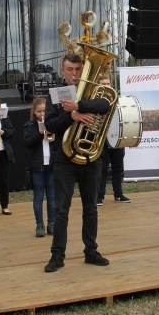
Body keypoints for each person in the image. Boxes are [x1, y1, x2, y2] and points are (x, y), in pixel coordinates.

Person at [43, 53, 112, 272]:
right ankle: (57, 255)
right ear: (62, 70)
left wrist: (79, 106)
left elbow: (105, 104)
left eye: (78, 69)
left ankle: (91, 251)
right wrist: (71, 116)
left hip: (90, 158)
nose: (74, 73)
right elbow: (51, 125)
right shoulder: (55, 95)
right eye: (70, 69)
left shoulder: (92, 91)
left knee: (90, 208)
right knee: (62, 209)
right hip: (64, 160)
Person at [23, 97, 56, 237]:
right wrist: (39, 133)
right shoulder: (29, 126)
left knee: (52, 196)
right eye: (39, 111)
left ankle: (52, 224)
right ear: (34, 112)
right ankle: (39, 225)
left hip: (52, 164)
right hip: (37, 165)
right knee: (38, 196)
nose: (42, 114)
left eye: (44, 111)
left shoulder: (53, 124)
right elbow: (27, 143)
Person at [96, 75, 130, 206]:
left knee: (118, 167)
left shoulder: (118, 101)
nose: (106, 85)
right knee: (102, 169)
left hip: (117, 137)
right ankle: (99, 196)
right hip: (102, 140)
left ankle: (118, 194)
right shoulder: (95, 102)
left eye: (108, 83)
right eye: (103, 83)